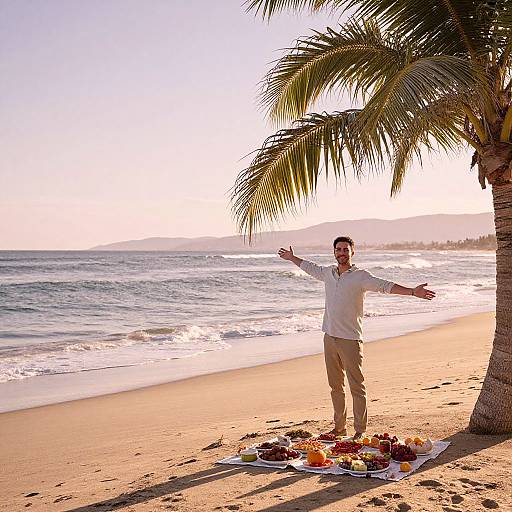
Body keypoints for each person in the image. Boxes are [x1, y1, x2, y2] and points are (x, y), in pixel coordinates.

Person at [278, 236, 435, 439]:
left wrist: (413, 292)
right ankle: (339, 428)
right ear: (334, 252)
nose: (342, 252)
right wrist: (292, 258)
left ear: (353, 252)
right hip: (329, 337)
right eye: (338, 249)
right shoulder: (328, 273)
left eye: (345, 249)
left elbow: (385, 285)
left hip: (350, 339)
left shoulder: (361, 276)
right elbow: (309, 267)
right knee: (335, 386)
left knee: (356, 386)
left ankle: (360, 430)